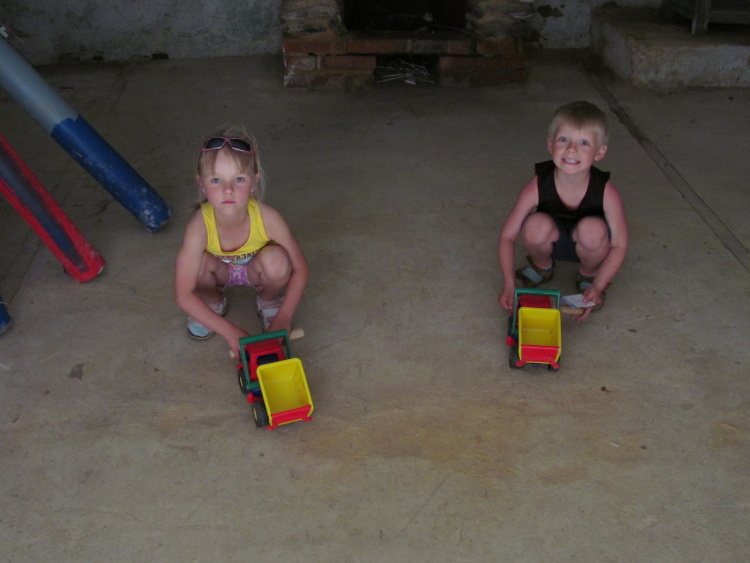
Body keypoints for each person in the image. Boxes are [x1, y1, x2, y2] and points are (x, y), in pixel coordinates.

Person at [175, 126, 308, 359]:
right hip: (220, 273)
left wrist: (284, 317)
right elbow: (182, 293)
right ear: (202, 184)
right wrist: (229, 332)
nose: (228, 190)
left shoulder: (268, 217)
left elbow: (300, 268)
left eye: (239, 179)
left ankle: (269, 301)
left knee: (277, 260)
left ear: (254, 181)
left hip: (257, 272)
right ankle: (213, 301)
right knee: (198, 264)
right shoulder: (199, 226)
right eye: (216, 180)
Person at [498, 101, 628, 320]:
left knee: (593, 229)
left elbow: (620, 244)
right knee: (535, 224)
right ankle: (542, 266)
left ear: (600, 152)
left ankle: (589, 274)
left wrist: (598, 285)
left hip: (590, 245)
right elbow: (507, 236)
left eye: (584, 142)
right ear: (550, 144)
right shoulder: (538, 184)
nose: (571, 149)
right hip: (552, 240)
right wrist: (509, 284)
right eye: (564, 139)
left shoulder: (606, 190)